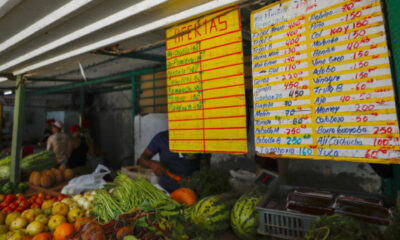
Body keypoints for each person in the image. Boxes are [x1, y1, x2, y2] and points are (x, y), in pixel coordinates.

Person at [138, 130, 211, 193]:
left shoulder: (199, 139)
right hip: (166, 190)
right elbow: (141, 159)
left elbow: (206, 167)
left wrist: (198, 180)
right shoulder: (161, 137)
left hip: (192, 190)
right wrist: (151, 164)